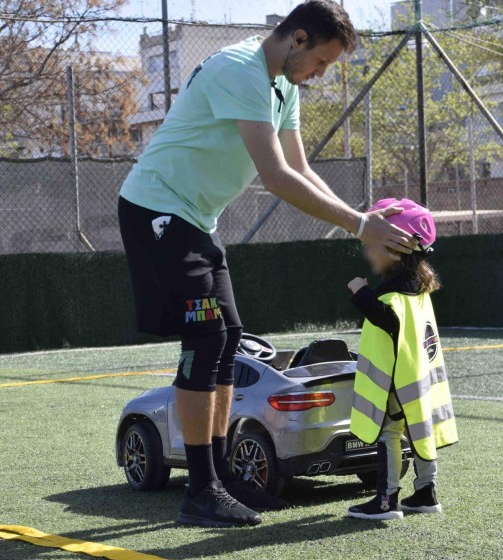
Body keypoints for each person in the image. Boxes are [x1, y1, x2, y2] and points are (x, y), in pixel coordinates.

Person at [117, 0, 416, 528]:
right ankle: (201, 490)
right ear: (297, 38)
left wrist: (364, 216)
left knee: (229, 340)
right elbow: (276, 177)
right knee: (206, 339)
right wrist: (358, 226)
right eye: (322, 61)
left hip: (196, 219)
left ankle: (223, 480)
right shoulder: (239, 69)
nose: (321, 74)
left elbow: (300, 166)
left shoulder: (284, 87)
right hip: (156, 210)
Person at [346, 199, 458, 521]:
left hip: (396, 381)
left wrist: (360, 294)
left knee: (389, 434)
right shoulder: (418, 289)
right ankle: (425, 492)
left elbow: (388, 320)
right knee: (422, 431)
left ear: (395, 250)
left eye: (372, 245)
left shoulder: (392, 292)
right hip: (416, 380)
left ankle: (386, 500)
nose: (368, 252)